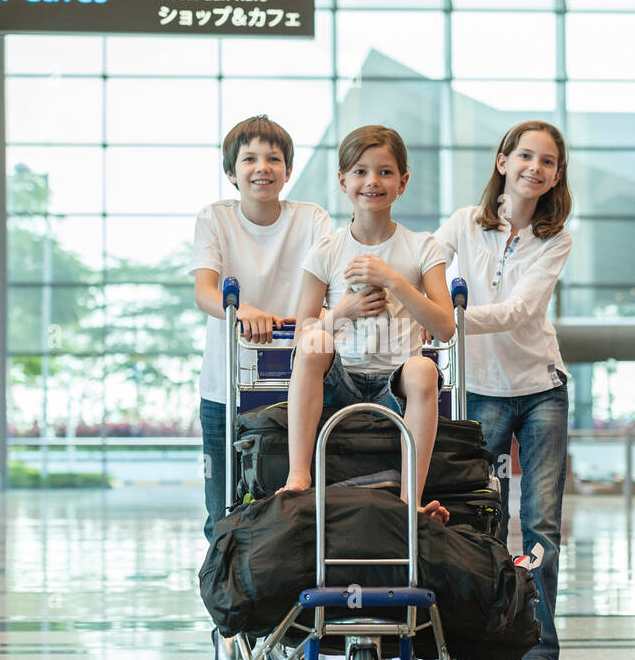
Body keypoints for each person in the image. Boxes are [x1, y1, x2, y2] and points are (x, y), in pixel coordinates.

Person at [435, 119, 574, 660]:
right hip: (478, 389)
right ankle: (484, 641)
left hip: (540, 386)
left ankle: (537, 653)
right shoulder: (461, 225)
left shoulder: (556, 237)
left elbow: (520, 311)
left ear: (556, 176)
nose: (533, 168)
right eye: (524, 156)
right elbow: (427, 273)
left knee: (540, 523)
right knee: (477, 519)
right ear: (502, 161)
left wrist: (447, 318)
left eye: (546, 161)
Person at [282, 124, 455, 525]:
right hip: (341, 380)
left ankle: (410, 499)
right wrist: (344, 309)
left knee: (424, 367)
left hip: (397, 384)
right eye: (360, 172)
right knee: (313, 346)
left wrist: (394, 279)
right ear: (343, 181)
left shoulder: (422, 247)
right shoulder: (326, 250)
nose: (372, 182)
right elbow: (303, 334)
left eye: (384, 172)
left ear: (402, 182)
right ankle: (298, 475)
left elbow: (445, 328)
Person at [191, 116, 332, 543]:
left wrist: (321, 317)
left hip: (299, 387)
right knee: (222, 512)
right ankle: (228, 603)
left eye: (274, 158)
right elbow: (204, 292)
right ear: (231, 172)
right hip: (226, 387)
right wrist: (245, 311)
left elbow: (332, 286)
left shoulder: (311, 219)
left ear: (288, 170)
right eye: (249, 158)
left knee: (293, 505)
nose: (262, 167)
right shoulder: (215, 218)